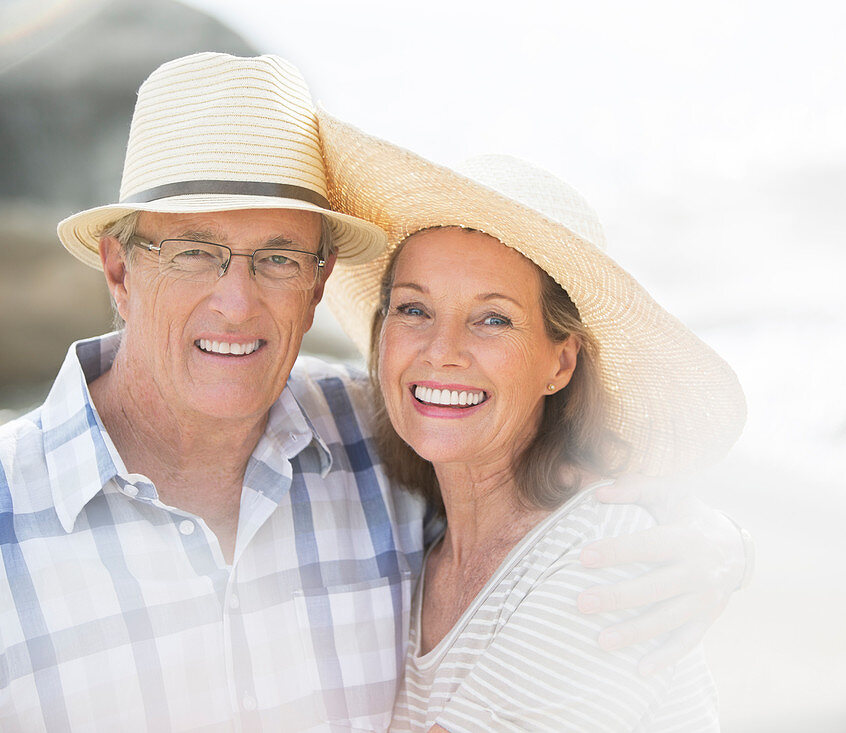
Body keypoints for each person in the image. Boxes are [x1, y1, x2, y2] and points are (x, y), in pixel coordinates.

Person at [0, 53, 749, 731]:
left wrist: (718, 543)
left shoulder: (378, 437)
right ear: (120, 270)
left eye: (279, 259)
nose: (236, 304)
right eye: (196, 252)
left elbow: (556, 499)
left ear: (321, 282)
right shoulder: (9, 510)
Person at [317, 114, 747, 730]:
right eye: (413, 308)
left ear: (560, 362)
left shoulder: (606, 557)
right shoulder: (423, 543)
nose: (441, 350)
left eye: (493, 319)